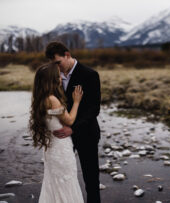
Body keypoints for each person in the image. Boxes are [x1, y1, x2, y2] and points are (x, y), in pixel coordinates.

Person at [45, 41, 101, 203]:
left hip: (86, 133)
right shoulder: (52, 77)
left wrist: (73, 128)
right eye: (53, 64)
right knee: (62, 176)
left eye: (58, 63)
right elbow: (52, 105)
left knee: (91, 179)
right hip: (60, 137)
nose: (57, 67)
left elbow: (93, 109)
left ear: (67, 55)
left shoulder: (90, 75)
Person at [29, 62, 84, 203]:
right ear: (51, 79)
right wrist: (76, 101)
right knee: (66, 183)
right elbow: (69, 120)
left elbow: (53, 115)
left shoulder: (41, 99)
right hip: (61, 148)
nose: (60, 78)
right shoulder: (53, 100)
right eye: (58, 75)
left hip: (51, 149)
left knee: (54, 183)